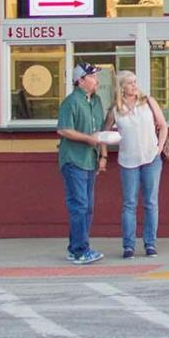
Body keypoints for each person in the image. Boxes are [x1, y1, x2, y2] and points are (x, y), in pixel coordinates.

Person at [107, 72, 169, 258]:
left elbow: (163, 125)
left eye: (135, 82)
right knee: (129, 203)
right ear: (121, 87)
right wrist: (104, 149)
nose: (134, 86)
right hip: (128, 160)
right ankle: (129, 246)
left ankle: (150, 243)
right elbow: (106, 131)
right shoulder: (115, 109)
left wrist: (159, 147)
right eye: (130, 83)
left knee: (150, 202)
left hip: (151, 158)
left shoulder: (148, 102)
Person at [55, 63, 108, 265]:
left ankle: (75, 247)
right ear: (81, 80)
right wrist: (88, 139)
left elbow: (100, 131)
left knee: (88, 207)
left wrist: (103, 155)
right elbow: (64, 130)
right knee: (79, 205)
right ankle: (80, 251)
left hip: (90, 161)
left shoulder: (96, 102)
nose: (96, 81)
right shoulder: (71, 102)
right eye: (93, 77)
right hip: (73, 160)